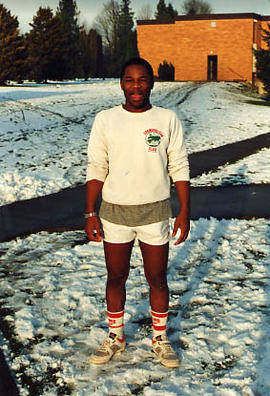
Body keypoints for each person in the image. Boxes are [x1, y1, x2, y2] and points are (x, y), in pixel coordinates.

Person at [85, 57, 190, 368]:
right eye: (129, 80)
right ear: (121, 83)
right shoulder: (105, 120)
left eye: (142, 79)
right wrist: (90, 213)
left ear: (152, 83)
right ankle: (116, 335)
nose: (136, 86)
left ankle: (160, 339)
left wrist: (184, 211)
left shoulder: (167, 119)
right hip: (114, 213)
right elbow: (96, 167)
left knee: (157, 278)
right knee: (116, 276)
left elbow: (179, 166)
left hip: (155, 212)